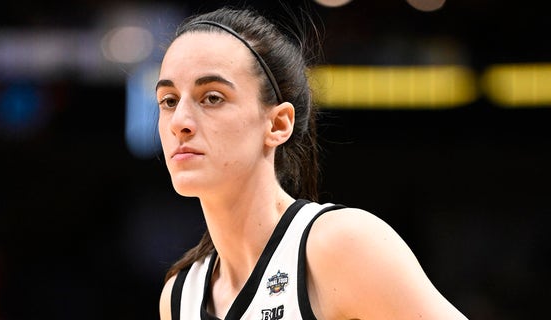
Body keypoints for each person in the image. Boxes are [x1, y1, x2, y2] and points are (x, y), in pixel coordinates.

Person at [155, 5, 468, 320]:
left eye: (212, 97)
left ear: (278, 124)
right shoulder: (180, 296)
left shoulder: (342, 245)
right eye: (169, 101)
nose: (179, 121)